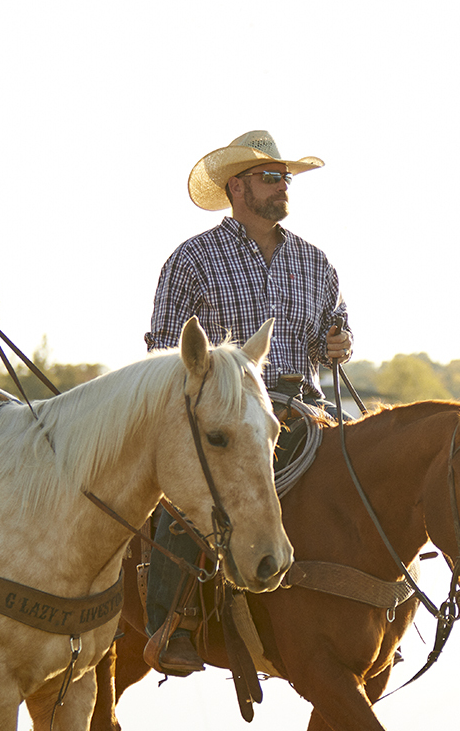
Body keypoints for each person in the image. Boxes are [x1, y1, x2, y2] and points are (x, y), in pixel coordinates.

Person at [144, 130, 354, 674]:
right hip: (224, 414)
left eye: (285, 177)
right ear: (238, 188)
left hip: (305, 407)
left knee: (366, 477)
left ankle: (373, 612)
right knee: (188, 502)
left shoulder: (315, 262)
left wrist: (340, 344)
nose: (283, 187)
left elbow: (338, 336)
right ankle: (172, 626)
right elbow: (166, 354)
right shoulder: (191, 260)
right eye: (271, 177)